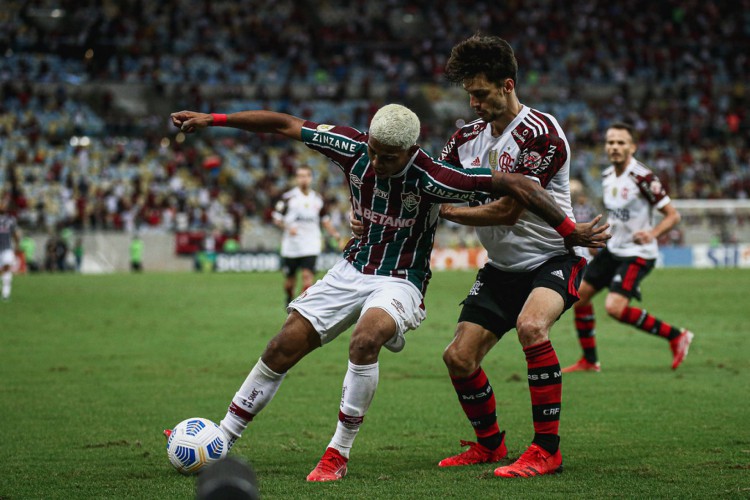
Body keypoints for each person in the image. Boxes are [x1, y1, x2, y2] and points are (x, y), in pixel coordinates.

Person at [169, 103, 608, 482]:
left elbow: (522, 186)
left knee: (366, 338)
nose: (377, 162)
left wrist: (570, 231)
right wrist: (213, 119)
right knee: (282, 345)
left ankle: (337, 453)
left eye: (389, 157)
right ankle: (221, 437)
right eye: (374, 152)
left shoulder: (434, 176)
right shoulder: (351, 146)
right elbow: (284, 124)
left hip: (402, 279)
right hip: (352, 268)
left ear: (410, 151)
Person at [431, 34, 602, 478]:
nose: (473, 103)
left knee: (531, 326)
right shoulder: (465, 138)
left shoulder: (541, 133)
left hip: (552, 257)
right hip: (502, 268)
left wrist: (447, 210)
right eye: (469, 93)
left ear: (508, 85)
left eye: (482, 93)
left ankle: (547, 449)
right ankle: (489, 445)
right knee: (458, 358)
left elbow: (508, 210)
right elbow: (432, 184)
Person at [562, 122, 694, 374]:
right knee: (578, 298)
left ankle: (677, 336)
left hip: (638, 255)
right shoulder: (608, 176)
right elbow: (616, 216)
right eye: (610, 142)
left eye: (621, 142)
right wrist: (599, 239)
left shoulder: (642, 177)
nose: (614, 147)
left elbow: (672, 215)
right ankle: (590, 361)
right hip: (614, 250)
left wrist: (652, 233)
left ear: (632, 147)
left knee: (614, 307)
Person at [272, 165, 341, 306]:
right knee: (290, 282)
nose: (304, 179)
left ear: (311, 178)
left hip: (311, 244)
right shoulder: (288, 198)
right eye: (300, 176)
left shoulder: (317, 199)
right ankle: (289, 297)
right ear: (296, 178)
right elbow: (277, 218)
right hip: (292, 245)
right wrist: (287, 227)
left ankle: (303, 306)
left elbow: (325, 220)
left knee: (307, 277)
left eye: (307, 176)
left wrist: (335, 234)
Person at [0, 196, 21, 301]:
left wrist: (17, 245)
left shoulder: (11, 220)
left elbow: (15, 234)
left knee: (7, 268)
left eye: (4, 204)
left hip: (7, 248)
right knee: (3, 270)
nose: (3, 206)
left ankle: (5, 294)